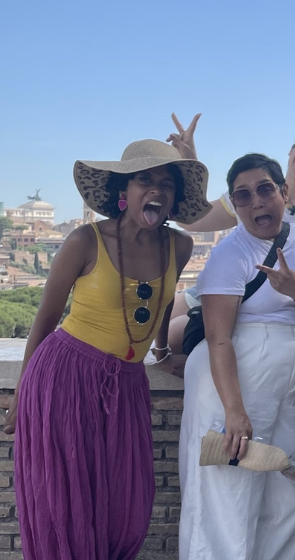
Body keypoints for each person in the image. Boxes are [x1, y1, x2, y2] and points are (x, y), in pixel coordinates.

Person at [6, 139, 204, 559]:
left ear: (174, 198)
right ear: (124, 191)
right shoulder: (85, 240)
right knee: (65, 501)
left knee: (126, 506)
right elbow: (45, 319)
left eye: (166, 183)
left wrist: (162, 352)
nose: (156, 189)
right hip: (65, 376)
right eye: (144, 180)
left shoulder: (180, 247)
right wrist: (23, 393)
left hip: (127, 386)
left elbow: (162, 302)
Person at [164, 116, 295, 482]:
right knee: (169, 338)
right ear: (294, 146)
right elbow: (195, 219)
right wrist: (191, 163)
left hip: (274, 307)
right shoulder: (250, 187)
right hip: (224, 292)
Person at [177, 154, 295, 559]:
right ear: (235, 205)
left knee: (289, 499)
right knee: (227, 499)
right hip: (237, 378)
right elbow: (218, 338)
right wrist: (234, 411)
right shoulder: (230, 253)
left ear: (283, 191)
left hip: (292, 377)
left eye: (265, 189)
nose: (257, 202)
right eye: (243, 196)